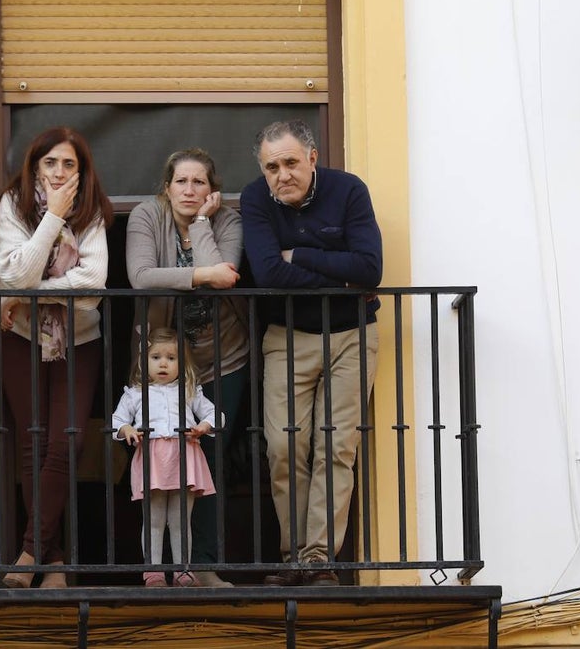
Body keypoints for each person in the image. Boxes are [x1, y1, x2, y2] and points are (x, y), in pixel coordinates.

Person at [239, 119, 382, 586]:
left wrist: (297, 256)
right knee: (283, 446)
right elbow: (266, 274)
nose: (282, 175)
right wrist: (340, 279)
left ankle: (317, 558)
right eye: (272, 167)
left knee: (336, 447)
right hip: (286, 335)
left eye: (291, 163)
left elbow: (370, 268)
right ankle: (293, 553)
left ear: (313, 158)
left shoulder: (349, 191)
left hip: (352, 337)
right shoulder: (256, 198)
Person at [0, 126, 114, 589]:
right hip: (17, 335)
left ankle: (29, 554)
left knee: (67, 441)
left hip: (77, 341)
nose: (59, 172)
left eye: (69, 164)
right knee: (33, 442)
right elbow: (14, 273)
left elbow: (91, 286)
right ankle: (55, 562)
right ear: (35, 167)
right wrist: (53, 218)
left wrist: (27, 296)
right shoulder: (14, 207)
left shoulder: (93, 215)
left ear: (81, 172)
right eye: (51, 163)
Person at [125, 148, 249, 587]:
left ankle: (203, 567)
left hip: (224, 359)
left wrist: (201, 227)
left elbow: (224, 278)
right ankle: (157, 568)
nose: (190, 189)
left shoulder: (227, 221)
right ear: (167, 187)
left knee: (209, 456)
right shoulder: (146, 215)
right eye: (181, 181)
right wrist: (201, 275)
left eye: (200, 182)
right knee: (157, 458)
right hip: (163, 362)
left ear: (212, 191)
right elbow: (140, 276)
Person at [112, 328, 218, 588]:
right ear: (143, 361)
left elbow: (214, 414)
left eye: (171, 358)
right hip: (153, 459)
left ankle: (183, 570)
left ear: (182, 363)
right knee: (155, 519)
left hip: (184, 456)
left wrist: (205, 425)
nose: (163, 363)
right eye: (156, 357)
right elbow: (117, 420)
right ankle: (154, 572)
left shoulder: (190, 390)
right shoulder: (135, 393)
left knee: (181, 519)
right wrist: (126, 429)